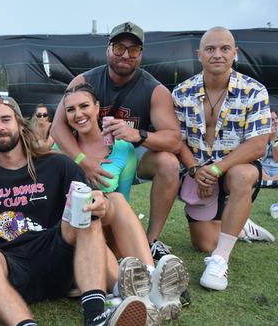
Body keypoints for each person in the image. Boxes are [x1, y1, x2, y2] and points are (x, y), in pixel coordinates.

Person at [0, 96, 149, 326]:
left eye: (5, 119)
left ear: (21, 125)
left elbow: (96, 204)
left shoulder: (58, 165)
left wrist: (101, 204)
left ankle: (96, 316)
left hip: (60, 258)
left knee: (85, 217)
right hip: (10, 265)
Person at [51, 21, 182, 260]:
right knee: (57, 158)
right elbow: (57, 127)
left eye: (133, 50)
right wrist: (82, 160)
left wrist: (138, 135)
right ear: (108, 49)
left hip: (129, 154)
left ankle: (149, 240)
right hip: (87, 153)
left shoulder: (154, 90)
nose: (125, 55)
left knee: (168, 163)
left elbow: (174, 140)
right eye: (119, 47)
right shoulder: (83, 81)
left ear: (141, 54)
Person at [63, 83, 188, 324]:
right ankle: (139, 294)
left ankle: (151, 283)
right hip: (79, 233)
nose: (78, 114)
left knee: (117, 199)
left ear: (98, 107)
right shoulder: (61, 149)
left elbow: (124, 205)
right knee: (91, 217)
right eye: (71, 109)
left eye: (84, 106)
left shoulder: (123, 149)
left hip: (112, 230)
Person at [172, 27, 271, 291]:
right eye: (210, 49)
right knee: (202, 243)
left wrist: (215, 170)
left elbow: (258, 144)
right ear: (199, 55)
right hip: (197, 171)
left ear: (234, 53)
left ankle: (219, 260)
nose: (218, 54)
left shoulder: (254, 90)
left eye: (225, 48)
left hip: (231, 169)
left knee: (243, 175)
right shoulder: (181, 92)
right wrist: (195, 170)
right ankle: (239, 224)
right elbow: (177, 141)